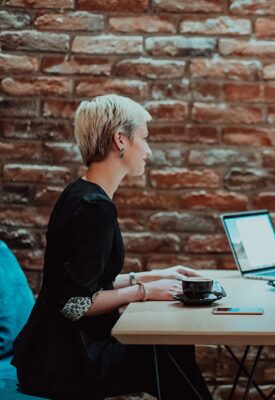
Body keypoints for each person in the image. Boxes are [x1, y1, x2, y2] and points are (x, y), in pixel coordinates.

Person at [11, 94, 212, 400]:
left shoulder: (80, 193)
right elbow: (74, 304)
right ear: (121, 140)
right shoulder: (95, 208)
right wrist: (144, 293)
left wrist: (151, 276)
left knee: (171, 348)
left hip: (50, 357)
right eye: (143, 139)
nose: (148, 150)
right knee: (167, 354)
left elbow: (87, 283)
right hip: (64, 364)